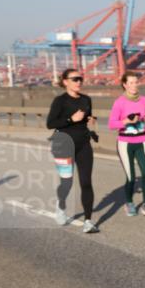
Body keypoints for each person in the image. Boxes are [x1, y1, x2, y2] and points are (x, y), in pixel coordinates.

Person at [46, 68, 98, 233]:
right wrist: (70, 119)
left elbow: (86, 117)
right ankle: (61, 206)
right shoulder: (60, 101)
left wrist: (90, 120)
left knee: (86, 182)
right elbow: (50, 123)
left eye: (80, 79)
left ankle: (88, 221)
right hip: (63, 146)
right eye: (75, 79)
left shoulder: (86, 99)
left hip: (83, 145)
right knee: (67, 182)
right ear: (65, 81)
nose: (79, 82)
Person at [108, 72, 145, 219]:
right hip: (125, 143)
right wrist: (126, 122)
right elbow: (111, 124)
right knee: (131, 177)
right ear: (125, 85)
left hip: (142, 141)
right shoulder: (119, 102)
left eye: (136, 82)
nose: (134, 85)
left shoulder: (144, 100)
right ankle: (129, 202)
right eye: (130, 82)